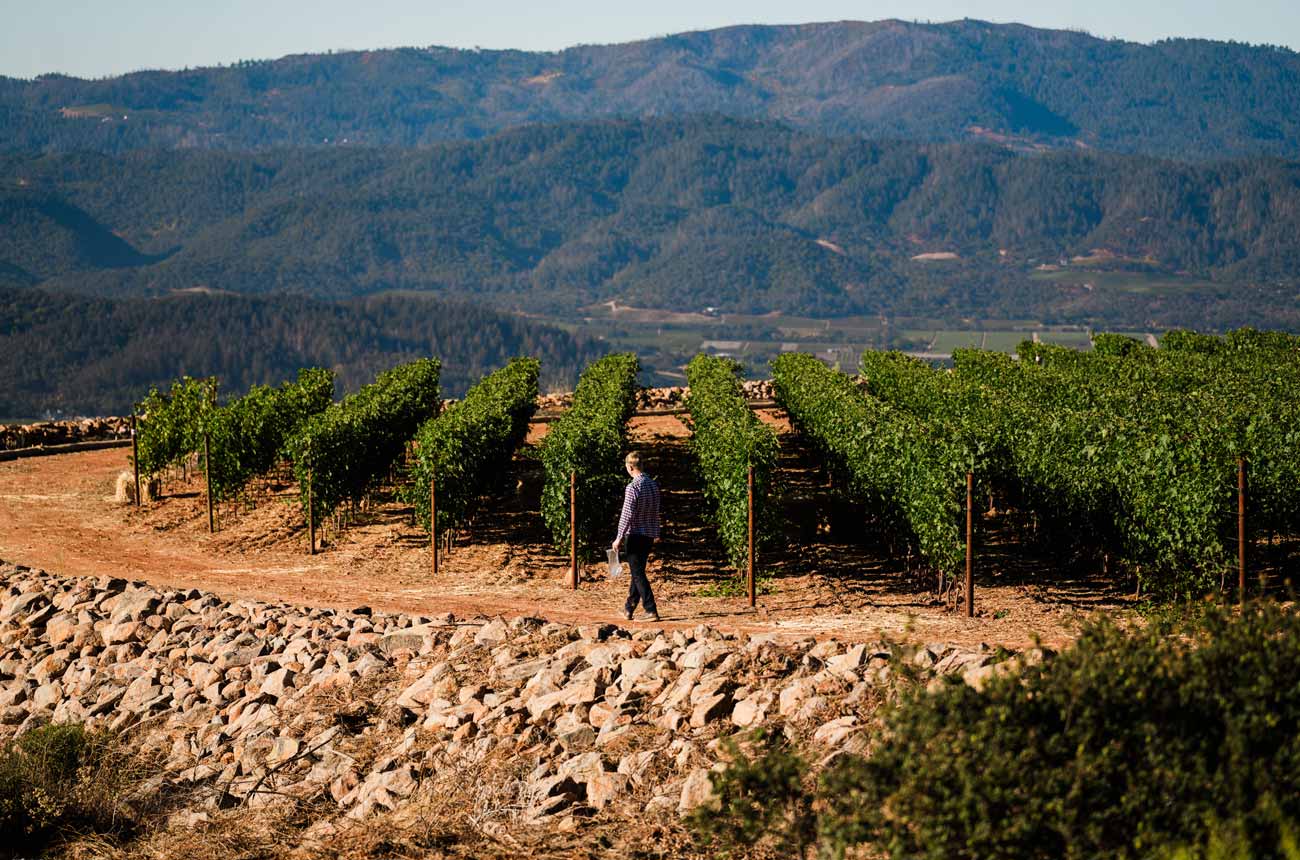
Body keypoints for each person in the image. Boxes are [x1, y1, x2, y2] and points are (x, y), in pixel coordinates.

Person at [612, 450, 661, 621]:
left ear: (630, 467)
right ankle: (629, 608)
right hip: (648, 535)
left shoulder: (633, 487)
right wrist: (656, 532)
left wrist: (618, 537)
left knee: (638, 573)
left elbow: (627, 514)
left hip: (634, 535)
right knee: (637, 572)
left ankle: (650, 609)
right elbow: (655, 512)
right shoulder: (653, 485)